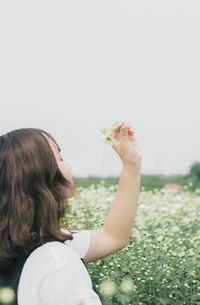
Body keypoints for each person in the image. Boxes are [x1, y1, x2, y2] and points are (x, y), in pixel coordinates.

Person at [0, 121, 142, 305]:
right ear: (40, 176)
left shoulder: (20, 243)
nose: (69, 166)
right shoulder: (57, 261)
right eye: (60, 159)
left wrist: (132, 164)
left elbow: (113, 237)